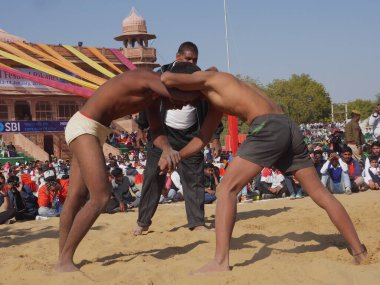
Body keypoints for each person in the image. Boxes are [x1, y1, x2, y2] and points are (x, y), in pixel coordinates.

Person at [159, 62, 367, 273]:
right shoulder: (215, 99)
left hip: (267, 127)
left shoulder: (208, 79)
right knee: (320, 193)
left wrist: (162, 85)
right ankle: (359, 252)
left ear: (187, 86)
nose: (178, 105)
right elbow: (202, 139)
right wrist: (175, 156)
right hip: (287, 126)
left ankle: (220, 262)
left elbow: (166, 78)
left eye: (177, 99)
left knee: (226, 189)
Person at [54, 69, 198, 272]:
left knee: (77, 195)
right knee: (101, 196)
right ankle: (64, 259)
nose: (179, 106)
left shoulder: (152, 98)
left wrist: (166, 149)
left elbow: (157, 130)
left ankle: (63, 256)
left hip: (92, 129)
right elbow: (179, 95)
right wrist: (205, 84)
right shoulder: (150, 78)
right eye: (178, 105)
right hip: (85, 125)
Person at [133, 41, 224, 235]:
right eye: (188, 58)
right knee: (153, 177)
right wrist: (141, 126)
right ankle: (142, 222)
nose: (192, 62)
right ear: (177, 57)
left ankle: (197, 222)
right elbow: (148, 101)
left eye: (195, 59)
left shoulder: (200, 77)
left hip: (191, 135)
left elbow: (211, 106)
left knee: (194, 179)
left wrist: (215, 136)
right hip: (162, 134)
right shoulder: (161, 75)